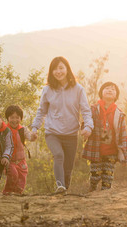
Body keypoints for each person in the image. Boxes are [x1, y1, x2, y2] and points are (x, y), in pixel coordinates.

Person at [31, 56, 93, 193]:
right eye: (55, 69)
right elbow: (41, 111)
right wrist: (35, 128)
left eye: (61, 68)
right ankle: (60, 186)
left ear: (67, 69)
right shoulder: (47, 90)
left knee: (68, 167)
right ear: (51, 72)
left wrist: (88, 127)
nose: (58, 71)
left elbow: (86, 111)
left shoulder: (78, 89)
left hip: (71, 134)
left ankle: (64, 190)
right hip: (52, 132)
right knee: (58, 155)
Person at [82, 82, 127, 191]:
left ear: (116, 95)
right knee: (95, 176)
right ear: (101, 93)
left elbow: (123, 134)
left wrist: (124, 153)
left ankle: (104, 203)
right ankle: (92, 189)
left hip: (111, 152)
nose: (109, 90)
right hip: (95, 149)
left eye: (113, 89)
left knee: (107, 179)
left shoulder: (119, 114)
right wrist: (85, 128)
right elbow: (86, 121)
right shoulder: (93, 109)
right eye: (106, 88)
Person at [3, 105, 37, 195]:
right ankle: (7, 192)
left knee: (22, 178)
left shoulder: (23, 130)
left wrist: (33, 137)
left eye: (17, 117)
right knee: (13, 175)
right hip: (10, 160)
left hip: (21, 160)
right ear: (7, 118)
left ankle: (17, 194)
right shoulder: (5, 130)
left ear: (21, 119)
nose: (14, 120)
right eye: (12, 117)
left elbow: (30, 137)